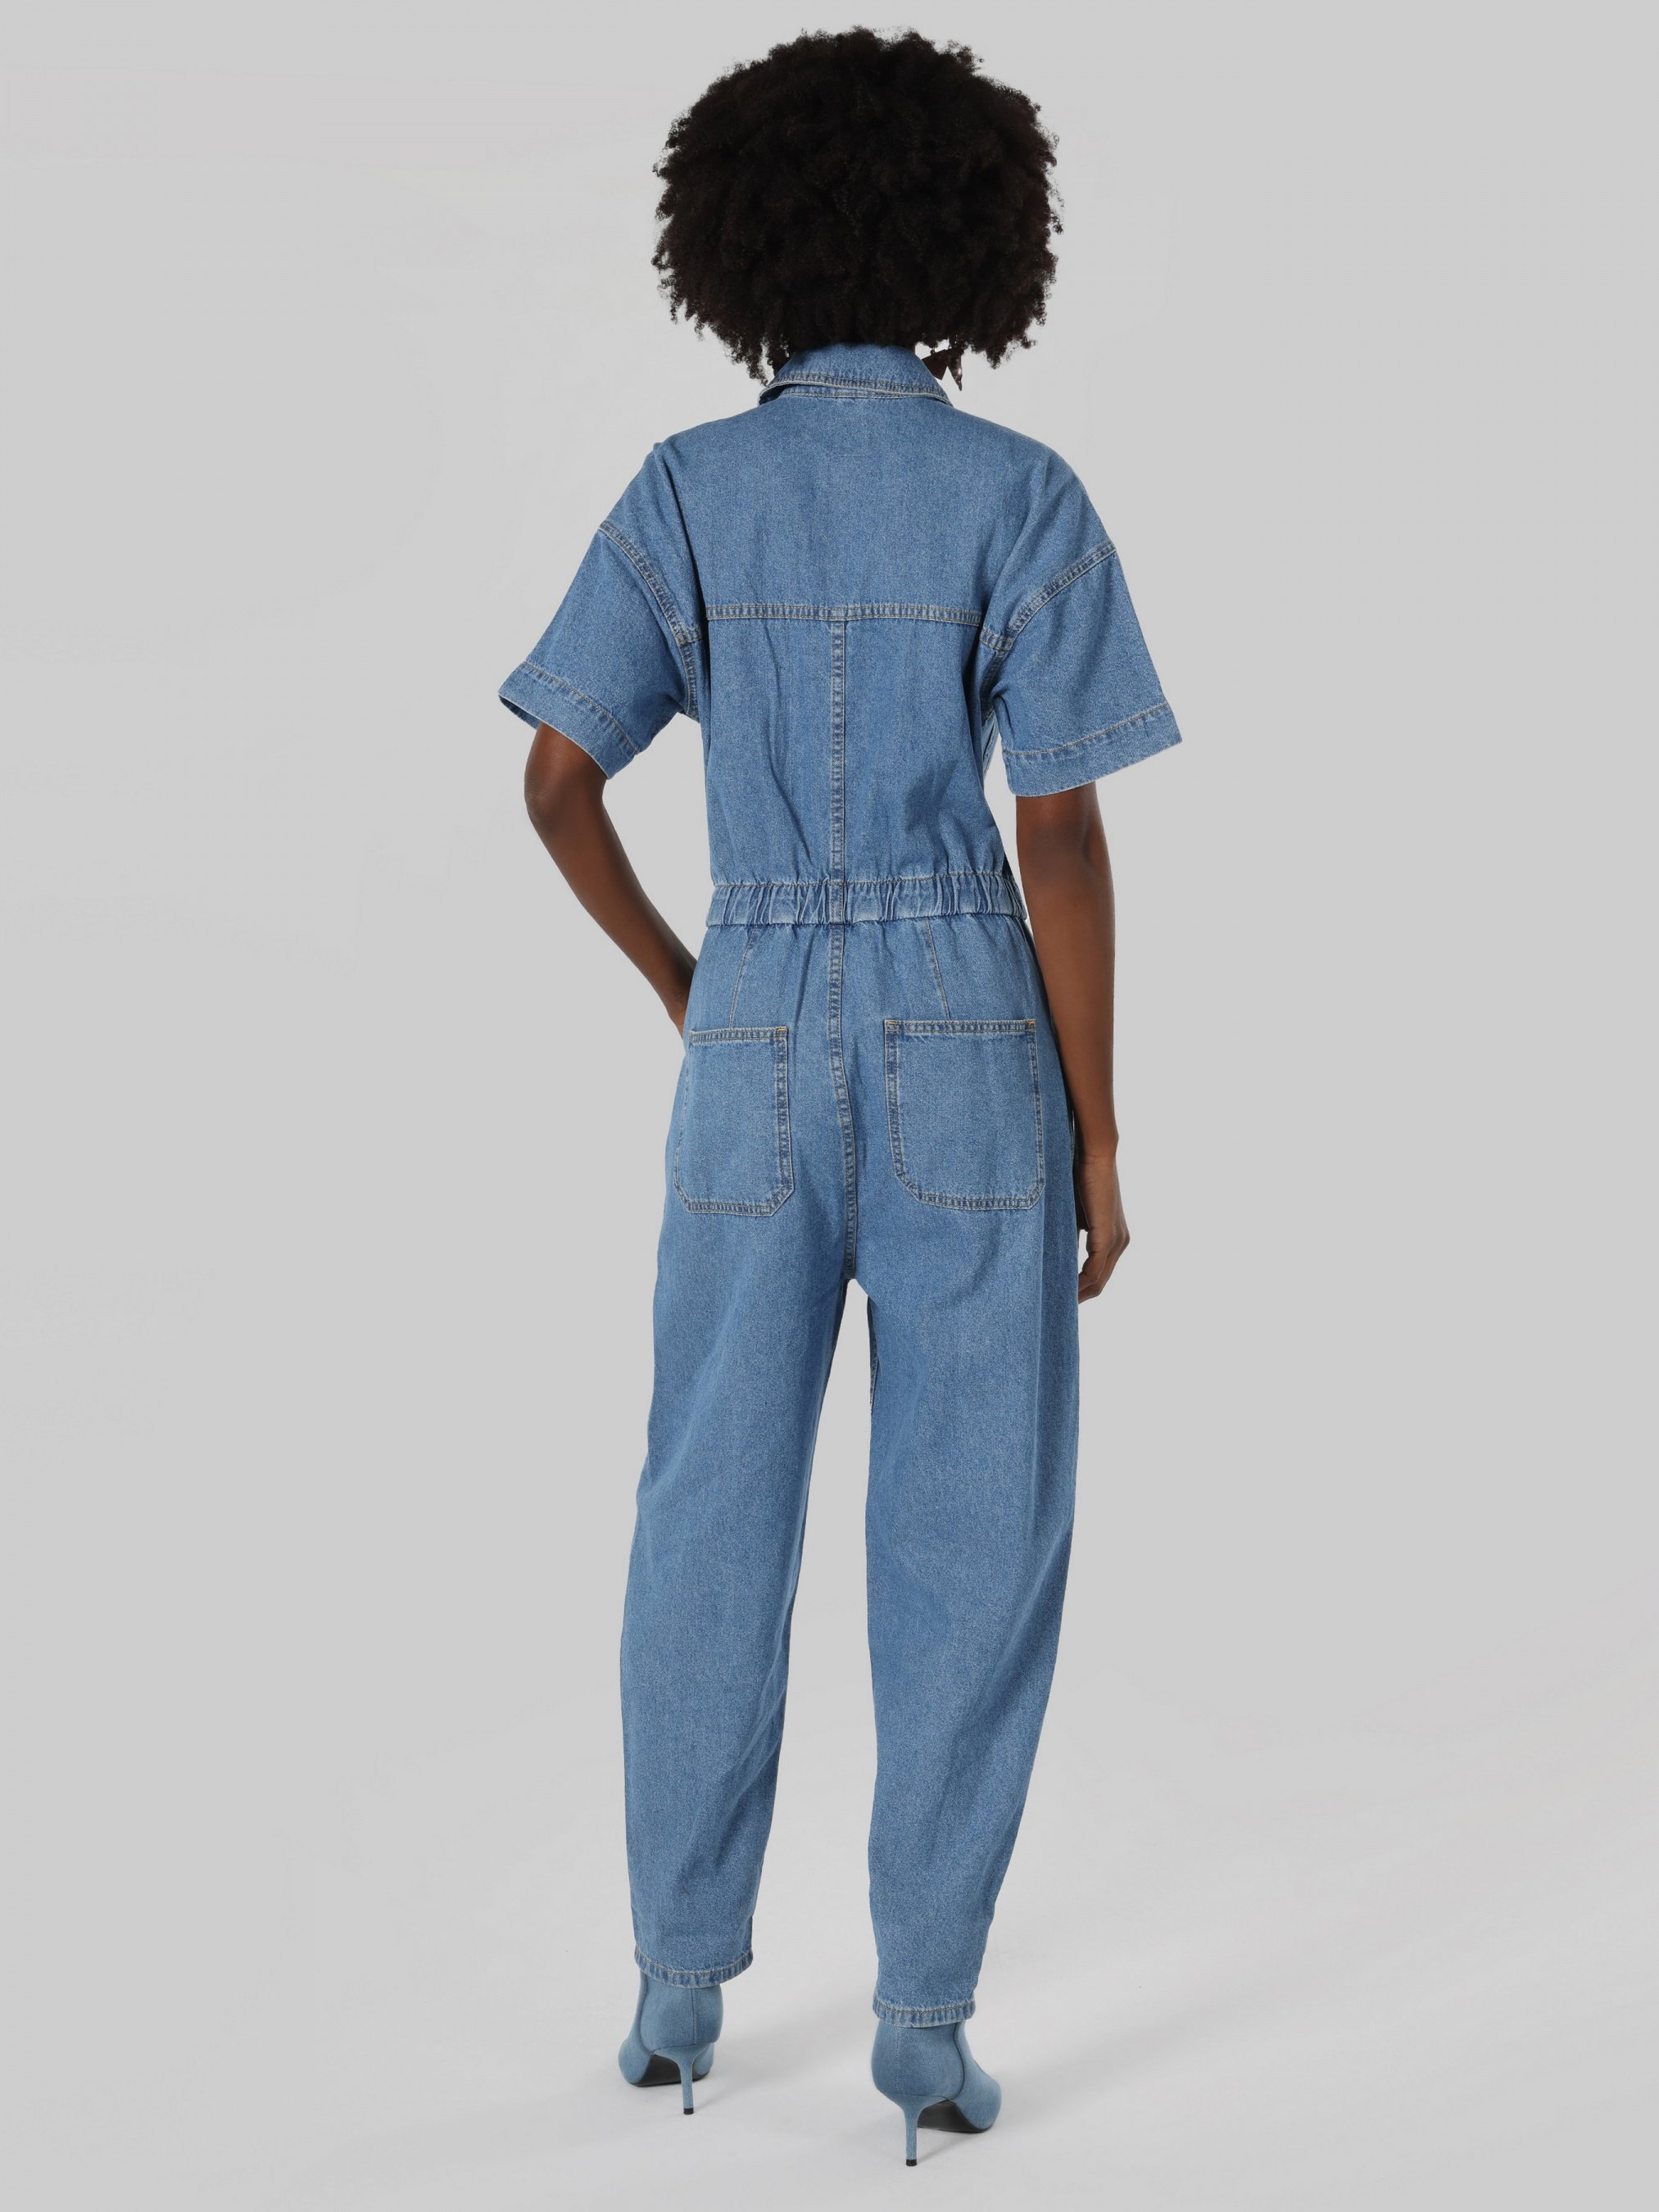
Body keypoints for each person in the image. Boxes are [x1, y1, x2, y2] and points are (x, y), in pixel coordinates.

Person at [500, 28, 1181, 2164]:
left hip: (757, 1021)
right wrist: (1096, 1125)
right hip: (974, 1023)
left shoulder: (685, 491)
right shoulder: (1022, 496)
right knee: (974, 1509)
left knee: (706, 1489)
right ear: (978, 243)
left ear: (744, 247)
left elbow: (555, 778)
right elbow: (1059, 831)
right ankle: (923, 2013)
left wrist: (688, 976)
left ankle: (674, 1983)